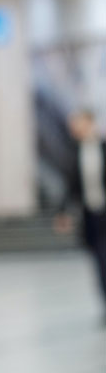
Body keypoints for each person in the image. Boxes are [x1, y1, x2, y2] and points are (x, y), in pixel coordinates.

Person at [60, 109, 106, 314]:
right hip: (91, 216)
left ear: (89, 122)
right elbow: (71, 186)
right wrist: (63, 212)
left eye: (77, 123)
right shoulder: (74, 151)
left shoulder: (103, 147)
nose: (73, 128)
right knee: (99, 261)